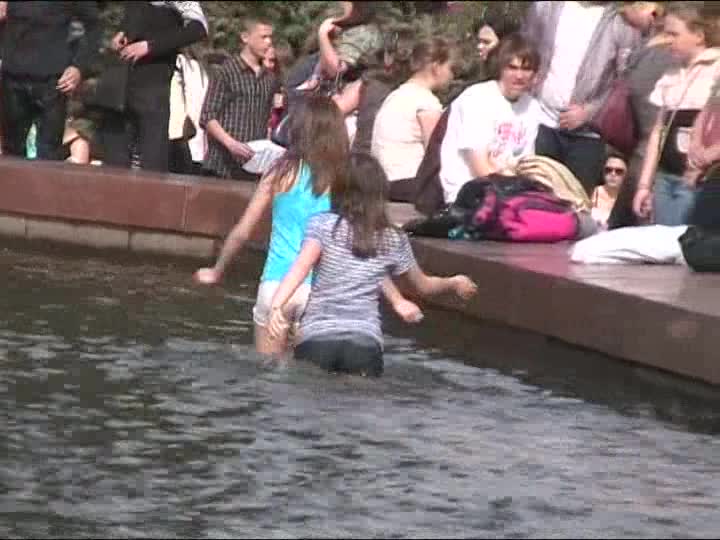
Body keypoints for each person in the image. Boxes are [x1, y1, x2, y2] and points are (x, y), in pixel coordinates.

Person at [193, 96, 414, 355]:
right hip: (322, 294)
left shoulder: (280, 171)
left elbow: (244, 229)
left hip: (277, 286)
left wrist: (217, 270)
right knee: (307, 375)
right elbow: (362, 243)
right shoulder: (344, 178)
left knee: (269, 371)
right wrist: (396, 298)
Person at [267, 153, 478, 378]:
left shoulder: (323, 225)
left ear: (339, 189)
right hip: (364, 344)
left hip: (317, 339)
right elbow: (424, 285)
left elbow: (299, 269)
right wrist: (453, 282)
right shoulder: (393, 238)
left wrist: (276, 306)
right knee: (361, 399)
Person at [522, 1, 640, 194]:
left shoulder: (620, 21)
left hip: (588, 136)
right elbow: (525, 49)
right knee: (534, 197)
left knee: (575, 201)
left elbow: (626, 81)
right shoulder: (546, 6)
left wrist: (590, 112)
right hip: (541, 123)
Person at [633, 3, 720, 226]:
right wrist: (644, 185)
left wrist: (707, 157)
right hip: (665, 177)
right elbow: (657, 133)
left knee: (685, 239)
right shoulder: (672, 73)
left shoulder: (716, 68)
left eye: (674, 34)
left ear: (698, 36)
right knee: (662, 239)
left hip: (698, 178)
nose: (667, 40)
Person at [103, 1, 208, 173]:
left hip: (153, 86)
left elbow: (199, 29)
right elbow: (135, 20)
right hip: (121, 85)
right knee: (114, 161)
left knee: (153, 161)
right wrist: (123, 34)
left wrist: (150, 46)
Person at [439, 34, 542, 204]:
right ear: (501, 68)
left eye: (526, 69)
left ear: (535, 74)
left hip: (509, 192)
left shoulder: (532, 107)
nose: (519, 75)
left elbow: (526, 165)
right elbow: (480, 168)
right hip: (467, 194)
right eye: (512, 68)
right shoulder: (477, 98)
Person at [607, 1, 681, 229]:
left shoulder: (660, 53)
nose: (625, 20)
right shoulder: (653, 47)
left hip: (651, 153)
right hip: (649, 151)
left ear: (649, 8)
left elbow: (649, 118)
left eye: (626, 14)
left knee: (631, 224)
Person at [0, 1, 101, 161]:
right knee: (12, 149)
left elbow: (94, 26)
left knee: (48, 151)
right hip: (13, 75)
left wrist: (78, 67)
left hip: (53, 80)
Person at [371, 38, 457, 202]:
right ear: (436, 66)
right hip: (409, 184)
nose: (452, 76)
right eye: (450, 68)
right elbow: (436, 151)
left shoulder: (395, 95)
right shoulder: (426, 102)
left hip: (383, 181)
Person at [200, 17, 277, 181]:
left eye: (270, 37)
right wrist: (231, 144)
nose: (269, 42)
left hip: (253, 166)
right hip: (222, 166)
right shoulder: (226, 72)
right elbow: (207, 116)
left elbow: (267, 119)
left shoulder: (269, 78)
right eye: (263, 37)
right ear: (245, 37)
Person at [592, 152, 628, 228]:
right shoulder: (591, 193)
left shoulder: (629, 199)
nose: (613, 174)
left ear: (626, 174)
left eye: (619, 171)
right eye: (608, 170)